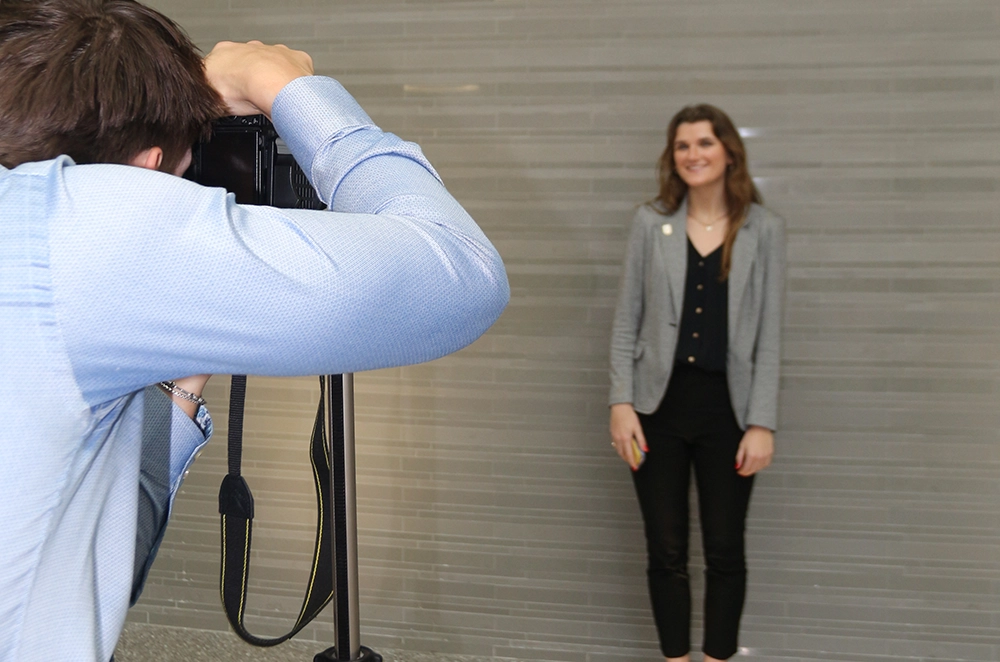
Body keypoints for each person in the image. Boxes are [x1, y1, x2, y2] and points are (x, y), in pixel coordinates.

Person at [0, 1, 509, 660]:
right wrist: (285, 88)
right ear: (147, 171)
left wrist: (178, 390)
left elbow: (60, 572)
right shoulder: (78, 226)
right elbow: (461, 274)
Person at [608, 104, 786, 661]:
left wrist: (762, 422)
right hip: (656, 410)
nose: (693, 155)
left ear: (728, 150)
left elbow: (770, 337)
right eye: (683, 145)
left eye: (704, 143)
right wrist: (621, 402)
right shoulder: (650, 223)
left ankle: (716, 657)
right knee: (665, 549)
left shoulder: (764, 229)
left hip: (729, 415)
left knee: (726, 549)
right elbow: (625, 318)